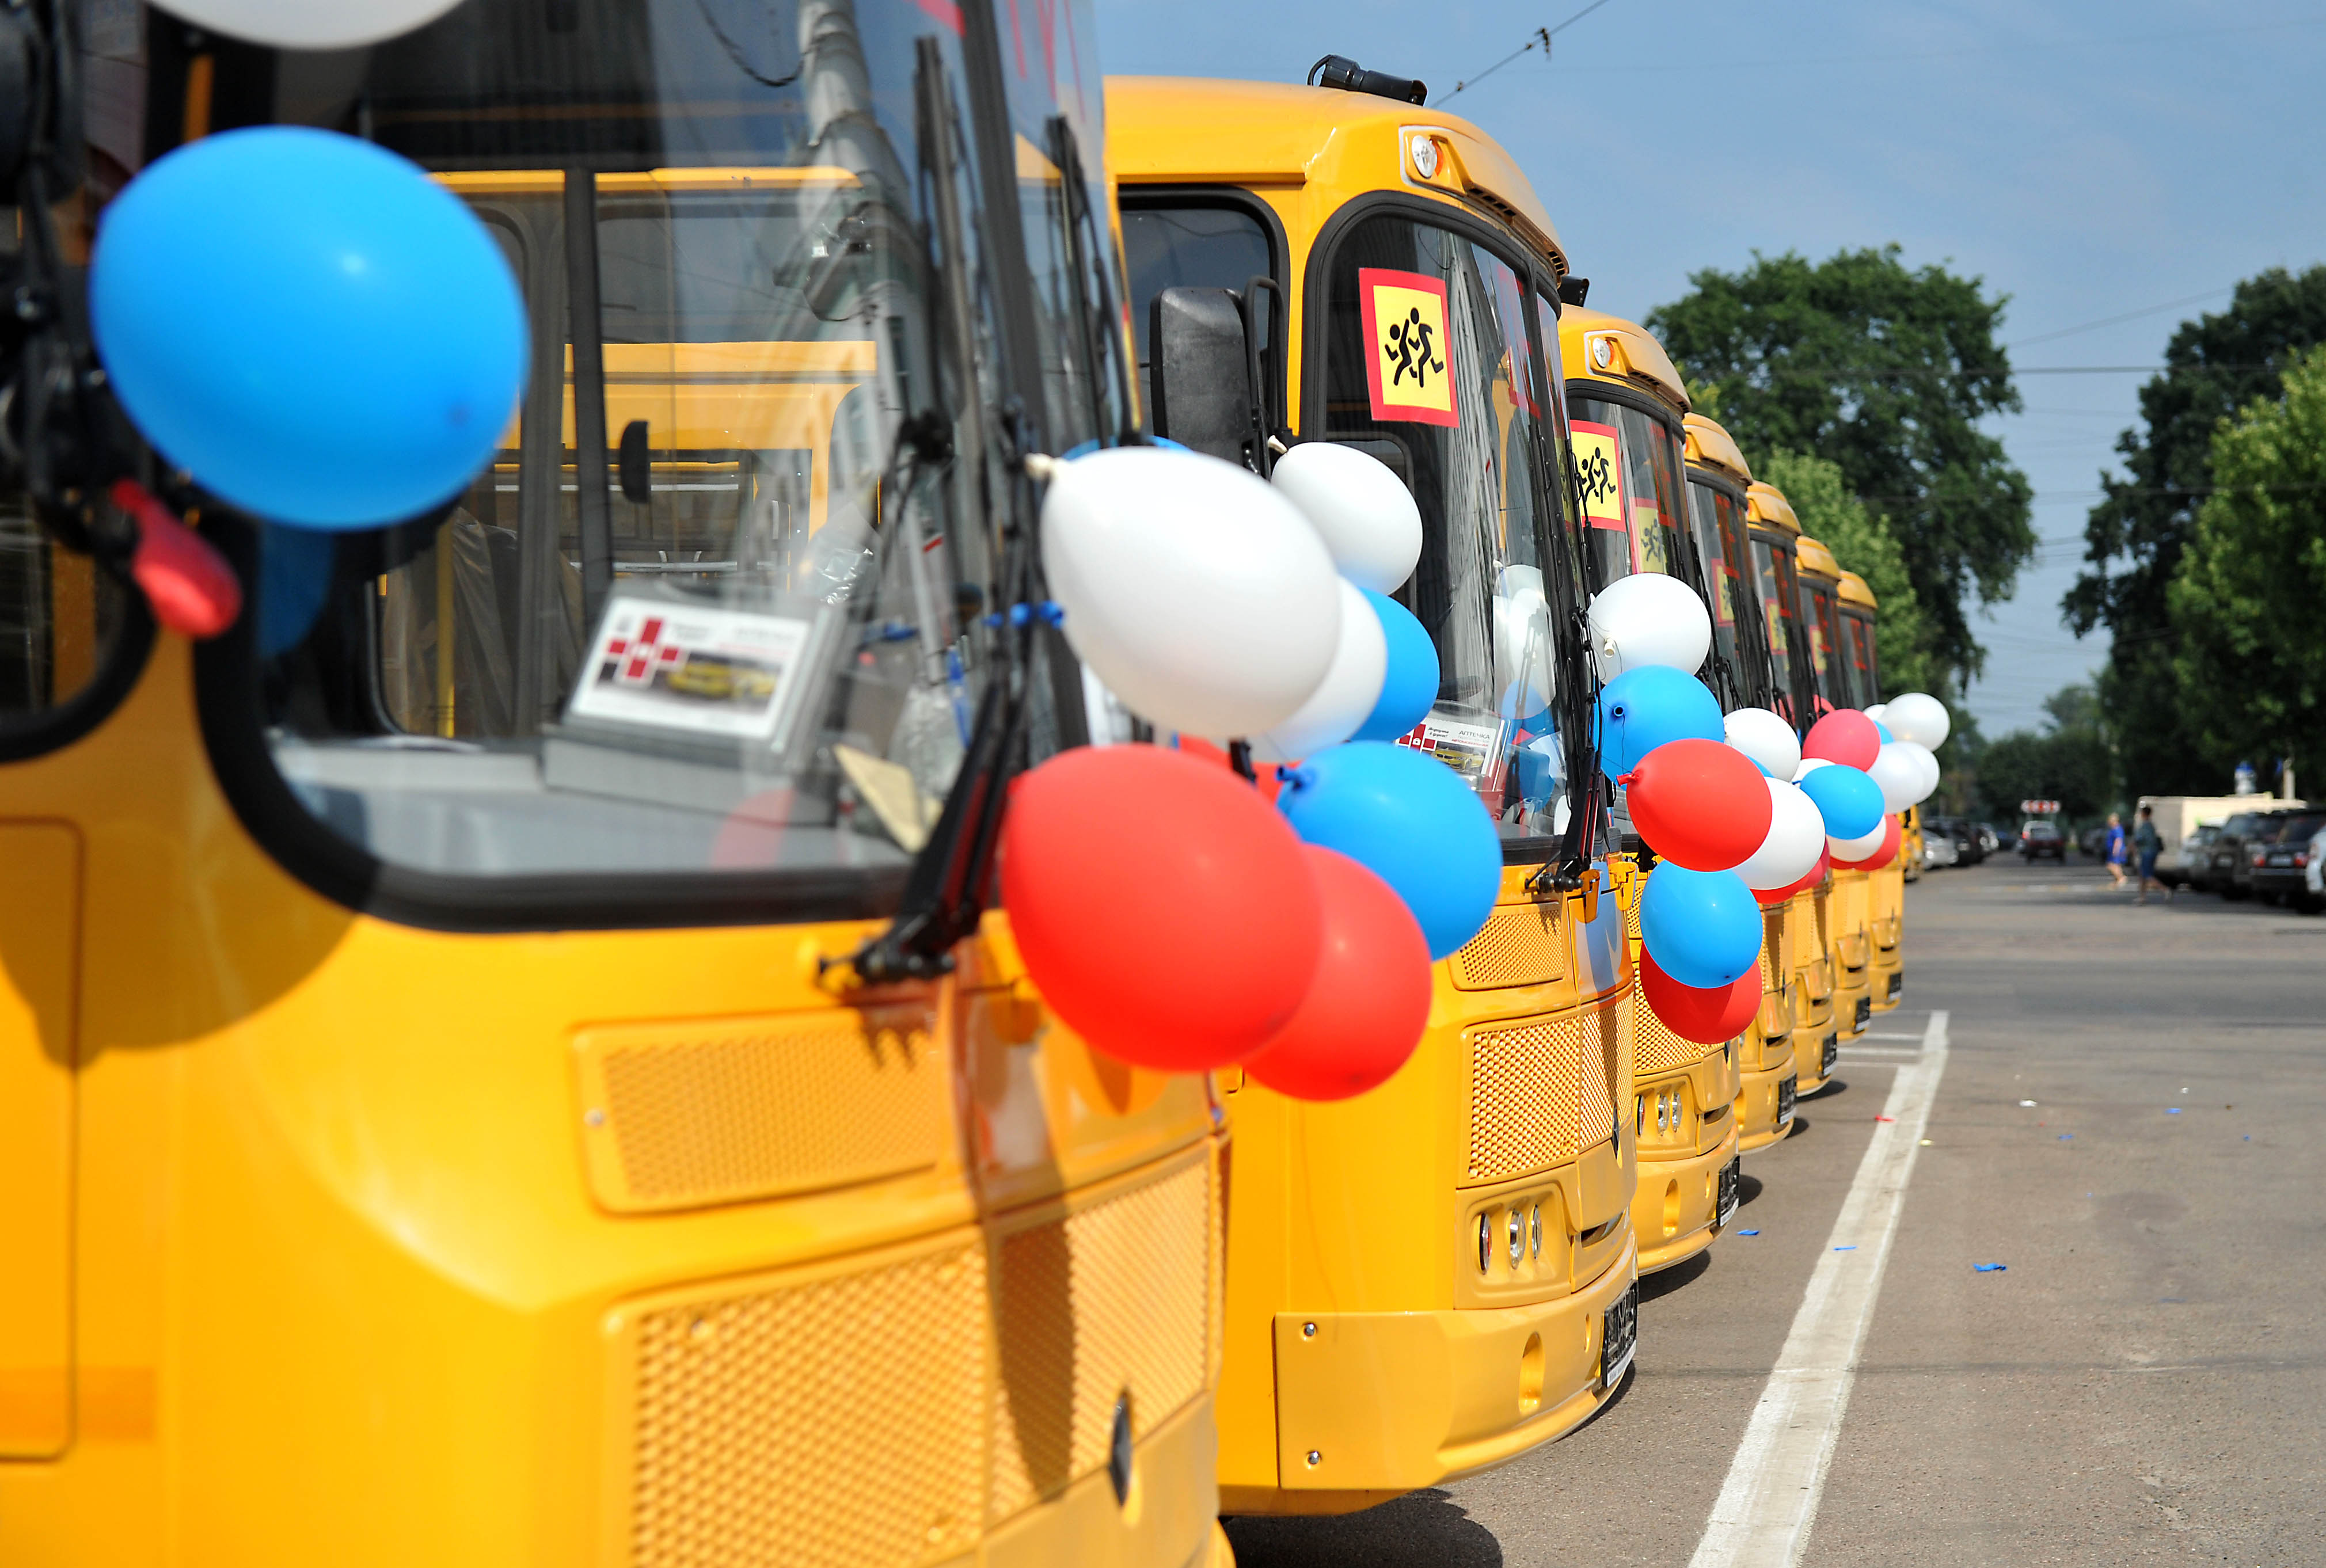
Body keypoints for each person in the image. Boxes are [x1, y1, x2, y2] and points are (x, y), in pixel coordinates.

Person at [2134, 804, 2167, 904]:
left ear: (2144, 814)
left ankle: (2165, 890)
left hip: (2147, 853)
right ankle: (2142, 897)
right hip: (2150, 852)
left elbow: (2139, 839)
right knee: (2142, 876)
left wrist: (2130, 848)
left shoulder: (2145, 826)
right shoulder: (2151, 825)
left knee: (2147, 875)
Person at [2104, 811, 2129, 889]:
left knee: (2111, 865)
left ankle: (2121, 878)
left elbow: (2118, 840)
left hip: (2116, 850)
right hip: (2113, 850)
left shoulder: (2117, 829)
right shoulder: (2114, 829)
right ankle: (2118, 880)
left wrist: (2116, 849)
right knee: (2116, 865)